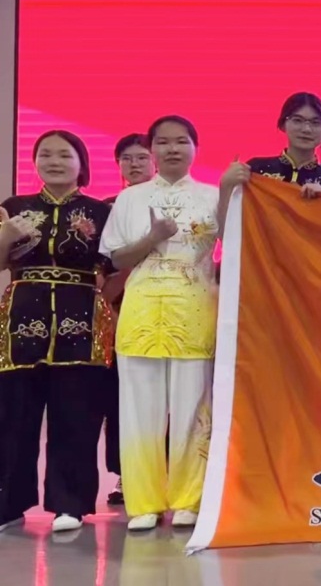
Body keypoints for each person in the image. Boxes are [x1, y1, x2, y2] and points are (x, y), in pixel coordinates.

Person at [99, 116, 222, 531]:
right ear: (152, 150)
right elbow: (116, 259)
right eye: (164, 142)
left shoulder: (212, 196)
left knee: (193, 408)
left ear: (195, 148)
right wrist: (152, 238)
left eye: (181, 141)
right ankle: (144, 502)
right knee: (139, 411)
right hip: (141, 312)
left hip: (194, 310)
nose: (172, 149)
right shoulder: (130, 199)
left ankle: (189, 499)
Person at [0, 132, 114, 533]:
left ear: (81, 163)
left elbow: (115, 267)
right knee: (14, 416)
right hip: (21, 321)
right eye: (45, 154)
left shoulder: (100, 212)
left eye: (64, 155)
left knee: (76, 414)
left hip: (80, 320)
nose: (54, 161)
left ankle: (71, 504)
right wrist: (6, 236)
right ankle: (9, 504)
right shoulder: (14, 208)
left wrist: (104, 306)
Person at [103, 133, 157, 507]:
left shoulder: (173, 202)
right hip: (118, 314)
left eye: (141, 157)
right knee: (122, 399)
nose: (134, 164)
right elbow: (102, 267)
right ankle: (127, 475)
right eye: (127, 158)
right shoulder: (107, 208)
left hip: (171, 310)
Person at [247, 92, 321, 196]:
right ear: (283, 124)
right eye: (297, 120)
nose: (306, 129)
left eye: (315, 122)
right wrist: (231, 183)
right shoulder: (255, 169)